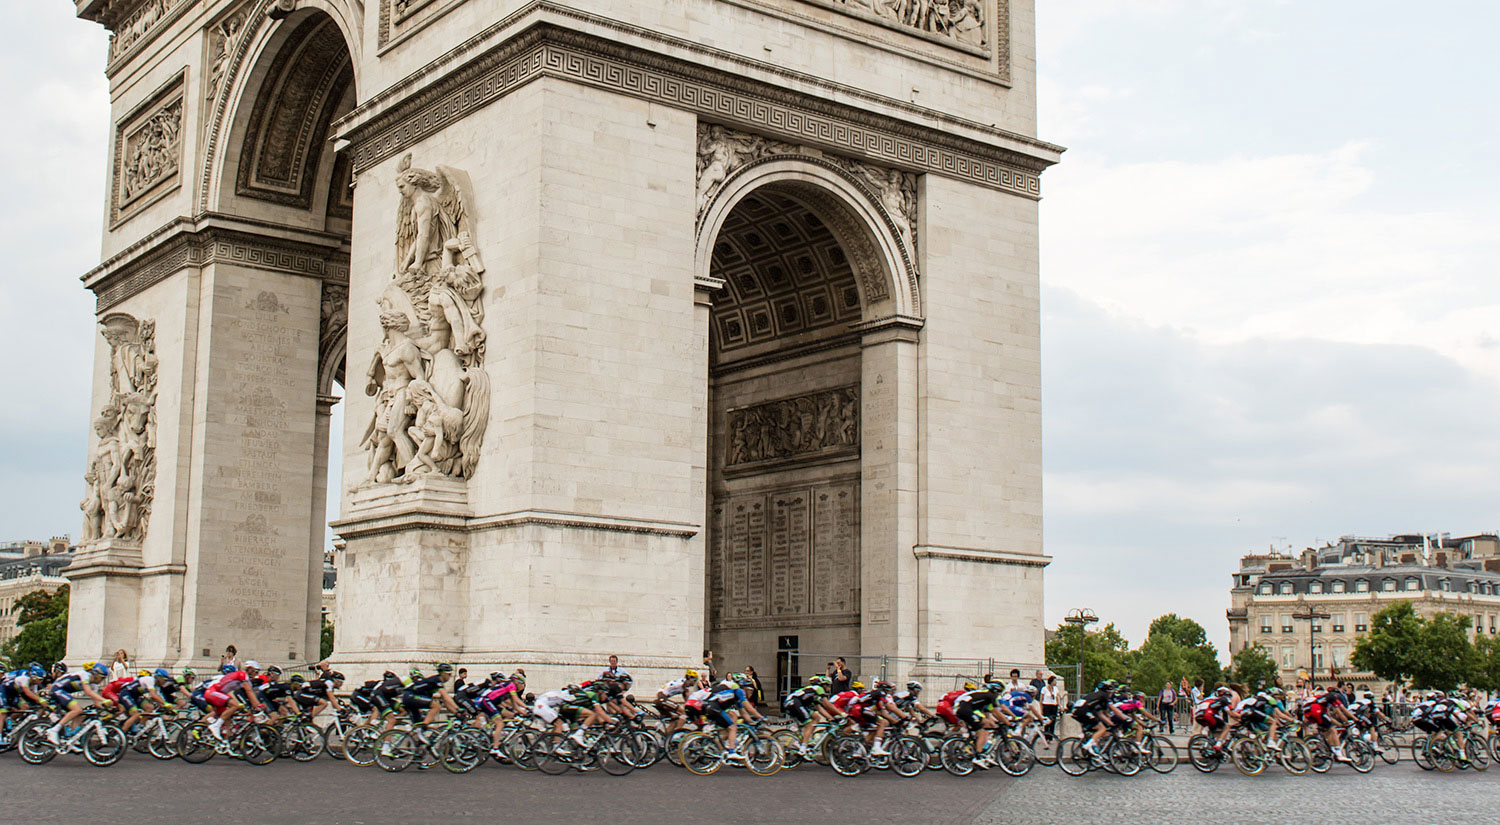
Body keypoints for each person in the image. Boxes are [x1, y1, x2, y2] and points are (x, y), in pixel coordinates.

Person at [1040, 676, 1061, 742]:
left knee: (1053, 722)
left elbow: (1057, 697)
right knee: (1047, 721)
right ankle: (1046, 737)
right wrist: (1041, 708)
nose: (1056, 682)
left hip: (1054, 705)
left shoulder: (1056, 689)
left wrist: (1059, 705)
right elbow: (1041, 699)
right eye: (1055, 681)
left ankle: (1051, 737)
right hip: (1046, 705)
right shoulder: (1044, 689)